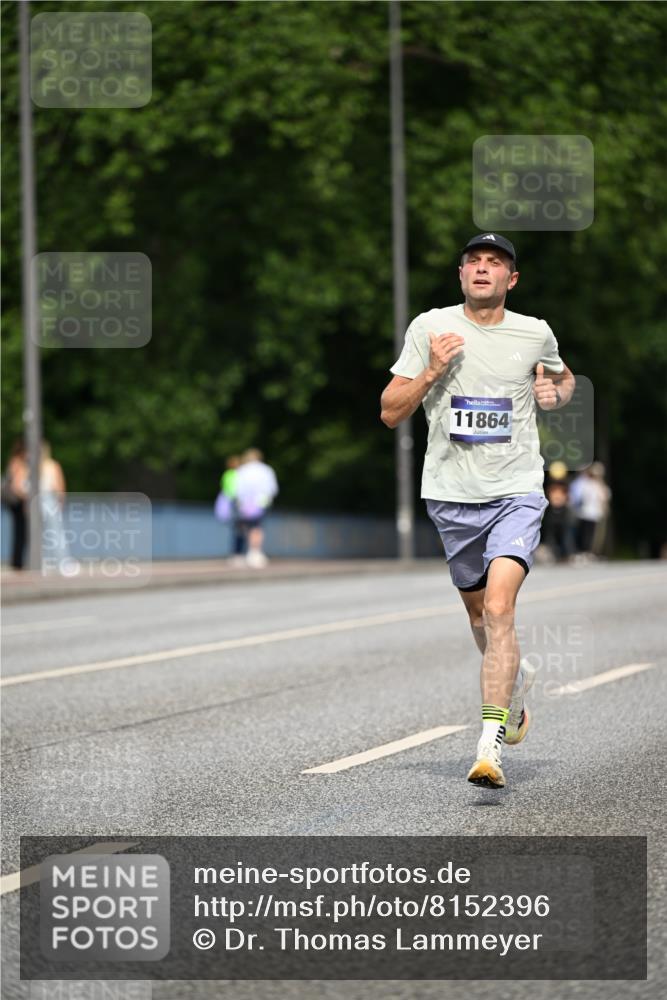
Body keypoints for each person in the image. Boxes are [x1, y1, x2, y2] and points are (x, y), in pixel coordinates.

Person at [381, 233, 576, 789]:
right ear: (461, 275)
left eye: (496, 263)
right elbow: (390, 412)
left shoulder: (534, 331)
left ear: (511, 280)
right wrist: (430, 372)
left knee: (498, 607)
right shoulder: (430, 328)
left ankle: (489, 746)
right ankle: (512, 698)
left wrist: (553, 396)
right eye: (475, 262)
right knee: (476, 617)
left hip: (516, 488)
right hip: (450, 493)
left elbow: (561, 380)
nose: (483, 269)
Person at [234, 448, 279, 568]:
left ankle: (245, 553)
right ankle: (255, 552)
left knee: (246, 527)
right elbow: (272, 488)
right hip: (261, 502)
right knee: (257, 527)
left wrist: (240, 502)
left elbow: (238, 489)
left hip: (245, 503)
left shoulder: (242, 470)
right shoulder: (266, 470)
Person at [39, 441, 72, 574]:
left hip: (45, 499)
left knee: (47, 533)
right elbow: (60, 487)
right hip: (48, 500)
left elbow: (59, 487)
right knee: (55, 533)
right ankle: (60, 563)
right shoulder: (50, 466)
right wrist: (60, 502)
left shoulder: (44, 466)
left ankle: (51, 562)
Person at [569, 462, 612, 559]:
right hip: (585, 513)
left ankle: (593, 552)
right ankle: (585, 551)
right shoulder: (586, 484)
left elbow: (605, 496)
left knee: (595, 535)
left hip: (596, 514)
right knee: (586, 533)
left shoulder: (600, 485)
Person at [1, 439, 29, 569]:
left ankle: (17, 561)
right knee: (21, 532)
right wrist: (26, 497)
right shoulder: (18, 463)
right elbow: (17, 485)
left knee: (19, 531)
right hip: (17, 501)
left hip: (13, 502)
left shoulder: (13, 461)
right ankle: (17, 562)